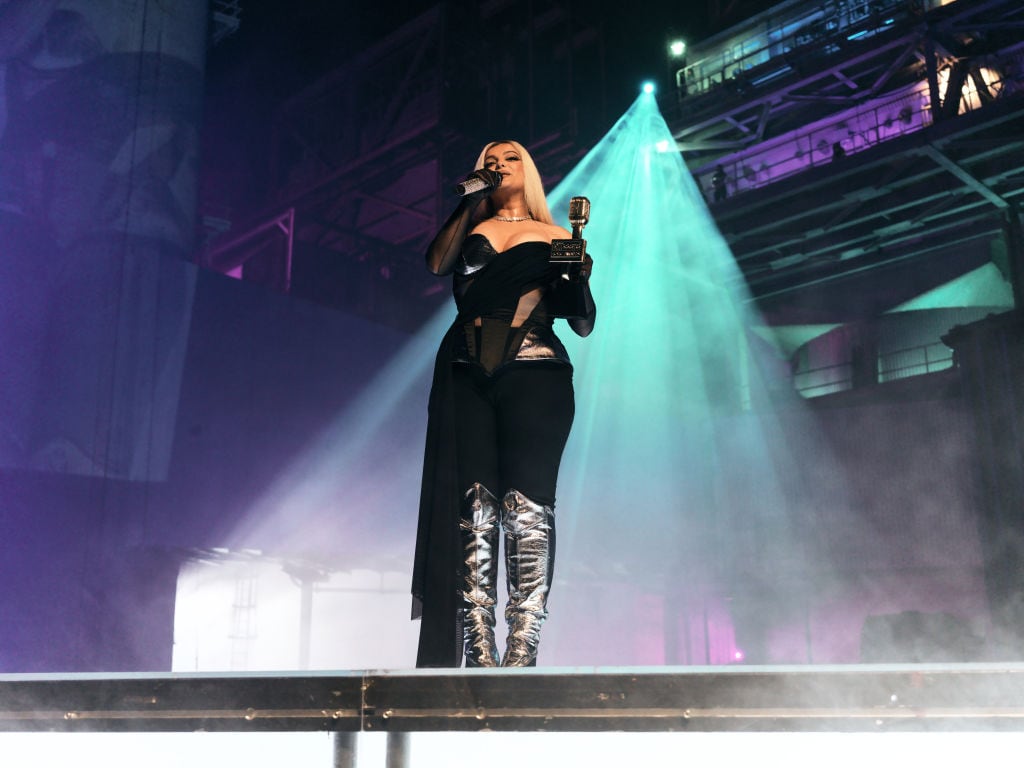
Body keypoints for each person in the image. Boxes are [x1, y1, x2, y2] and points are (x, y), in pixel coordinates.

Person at [411, 140, 596, 668]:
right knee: (474, 510)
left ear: (529, 170)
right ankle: (479, 649)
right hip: (466, 373)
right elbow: (436, 263)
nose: (498, 165)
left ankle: (522, 649)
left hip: (536, 374)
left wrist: (578, 277)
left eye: (510, 158)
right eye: (489, 160)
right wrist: (470, 200)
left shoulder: (557, 234)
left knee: (527, 508)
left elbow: (582, 321)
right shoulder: (470, 230)